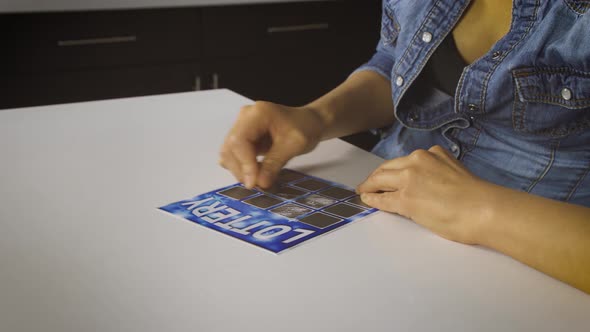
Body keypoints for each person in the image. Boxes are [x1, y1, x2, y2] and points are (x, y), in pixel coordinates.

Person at [219, 0, 590, 293]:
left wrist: (478, 209)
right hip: (382, 224)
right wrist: (316, 118)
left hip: (528, 278)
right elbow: (397, 63)